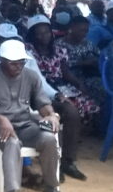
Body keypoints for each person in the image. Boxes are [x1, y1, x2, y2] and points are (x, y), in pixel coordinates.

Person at [0, 40, 75, 192]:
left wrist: (51, 115)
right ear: (2, 60)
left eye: (21, 62)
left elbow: (42, 103)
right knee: (12, 142)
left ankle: (51, 189)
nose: (18, 66)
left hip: (25, 125)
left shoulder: (31, 76)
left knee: (49, 139)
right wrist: (1, 119)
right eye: (13, 63)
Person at [25, 15, 99, 146]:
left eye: (46, 32)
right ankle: (63, 134)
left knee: (88, 104)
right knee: (68, 107)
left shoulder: (59, 50)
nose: (44, 36)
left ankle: (73, 134)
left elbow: (66, 73)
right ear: (32, 35)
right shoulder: (29, 51)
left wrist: (78, 83)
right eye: (39, 33)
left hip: (61, 85)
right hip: (42, 87)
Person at [56, 16, 105, 123]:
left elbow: (100, 57)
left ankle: (101, 122)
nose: (84, 34)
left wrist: (94, 61)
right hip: (67, 80)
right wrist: (83, 63)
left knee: (104, 87)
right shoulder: (59, 45)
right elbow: (60, 67)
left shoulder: (87, 43)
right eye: (82, 30)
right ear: (72, 28)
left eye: (86, 31)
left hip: (87, 76)